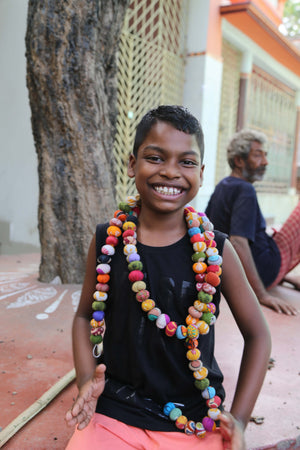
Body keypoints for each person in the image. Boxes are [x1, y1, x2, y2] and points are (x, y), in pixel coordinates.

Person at [65, 106, 271, 449]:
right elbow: (84, 315)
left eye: (186, 162)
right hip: (115, 411)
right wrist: (87, 379)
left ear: (201, 173)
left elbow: (258, 335)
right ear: (133, 164)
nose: (170, 172)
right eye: (155, 157)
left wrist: (239, 419)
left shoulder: (216, 250)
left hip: (194, 422)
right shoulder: (108, 241)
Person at [205, 128, 300, 316]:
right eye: (258, 155)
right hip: (266, 271)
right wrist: (262, 295)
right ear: (239, 161)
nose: (265, 162)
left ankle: (286, 277)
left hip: (232, 272)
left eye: (265, 155)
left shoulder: (223, 185)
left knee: (271, 233)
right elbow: (238, 243)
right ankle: (281, 276)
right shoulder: (245, 189)